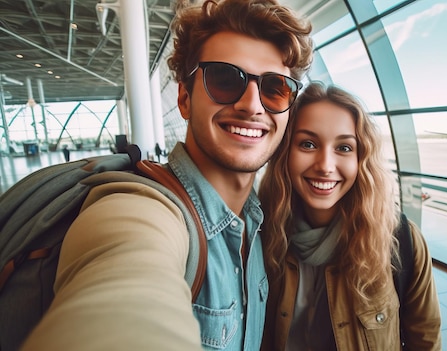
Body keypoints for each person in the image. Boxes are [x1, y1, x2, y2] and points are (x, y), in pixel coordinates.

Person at [21, 0, 312, 350]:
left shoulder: (258, 220)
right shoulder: (143, 211)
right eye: (224, 79)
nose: (252, 105)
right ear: (185, 99)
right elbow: (127, 277)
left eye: (274, 88)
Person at [259, 82, 442, 350]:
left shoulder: (401, 240)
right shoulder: (261, 233)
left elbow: (425, 339)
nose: (324, 166)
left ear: (361, 159)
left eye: (344, 148)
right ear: (286, 153)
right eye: (308, 144)